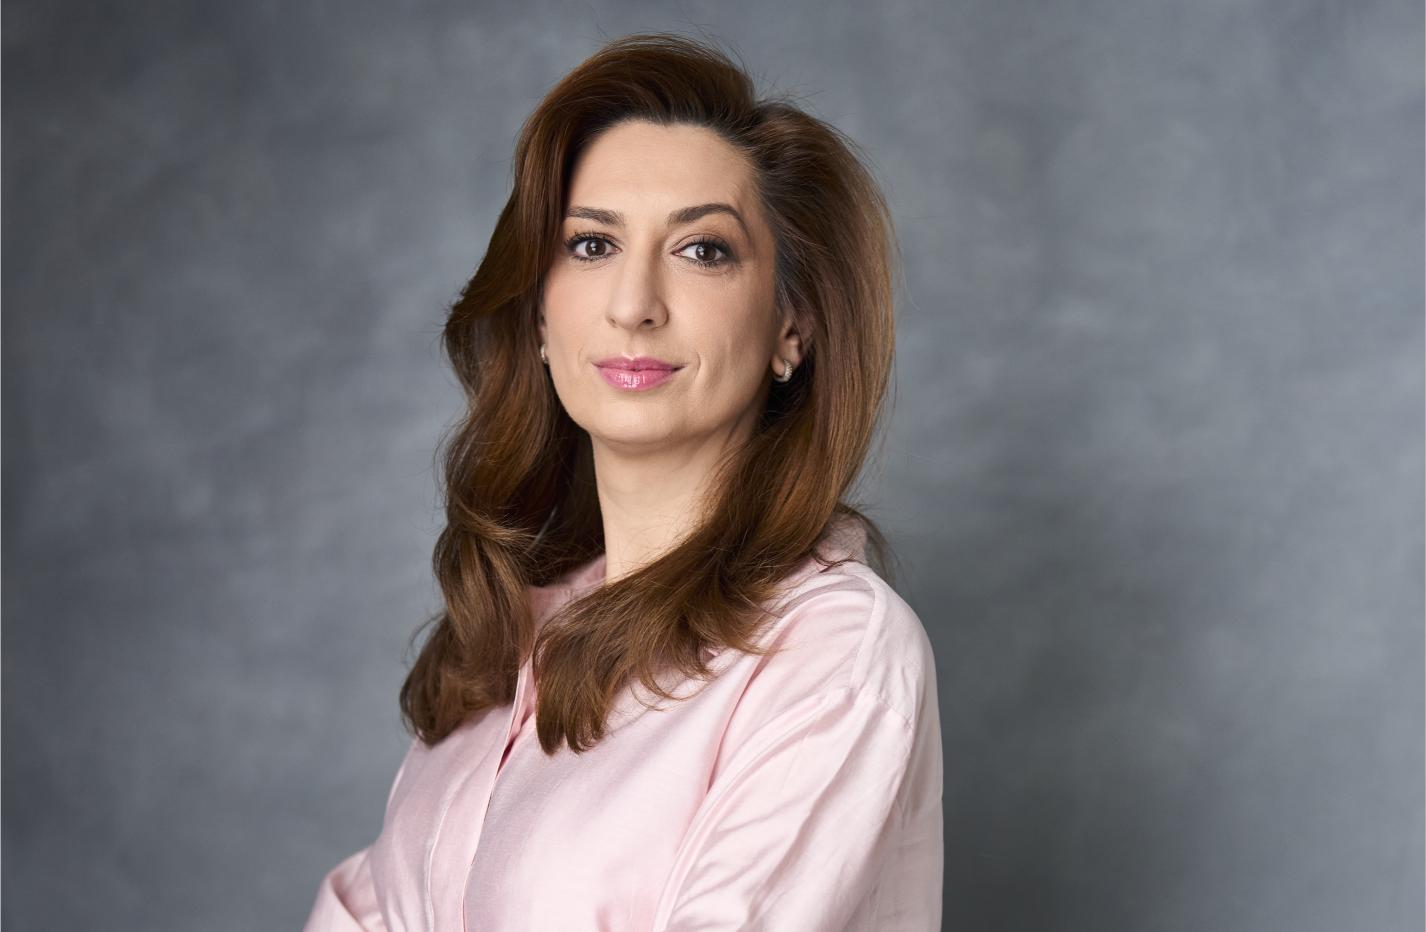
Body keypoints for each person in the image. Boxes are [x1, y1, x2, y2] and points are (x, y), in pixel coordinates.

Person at [303, 32, 943, 931]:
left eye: (702, 250)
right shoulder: (506, 641)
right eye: (593, 244)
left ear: (791, 328)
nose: (634, 303)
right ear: (538, 314)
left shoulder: (831, 650)